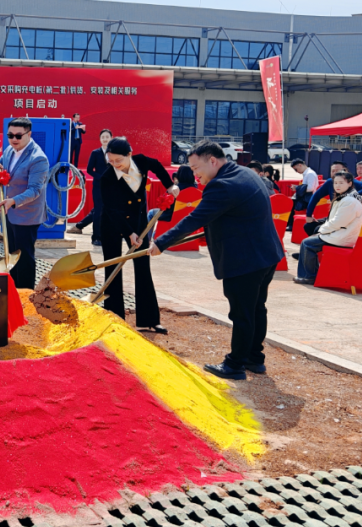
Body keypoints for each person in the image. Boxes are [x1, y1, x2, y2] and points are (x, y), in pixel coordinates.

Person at [148, 141, 284, 380]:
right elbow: (231, 214)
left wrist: (161, 242)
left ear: (212, 161)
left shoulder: (221, 185)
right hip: (266, 254)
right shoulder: (244, 173)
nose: (194, 174)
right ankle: (254, 358)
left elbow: (194, 218)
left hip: (245, 260)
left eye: (196, 168)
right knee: (256, 308)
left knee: (242, 313)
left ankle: (235, 365)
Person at [97, 138, 178, 333]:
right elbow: (111, 210)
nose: (115, 164)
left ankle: (149, 319)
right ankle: (115, 318)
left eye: (119, 160)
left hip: (138, 222)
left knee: (142, 266)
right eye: (111, 161)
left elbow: (157, 166)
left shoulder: (141, 161)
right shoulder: (107, 178)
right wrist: (129, 233)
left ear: (129, 154)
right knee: (113, 267)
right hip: (112, 223)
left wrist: (170, 185)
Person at [0, 117, 49, 290]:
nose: (14, 139)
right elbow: (0, 164)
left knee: (24, 259)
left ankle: (25, 295)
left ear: (29, 134)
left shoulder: (38, 159)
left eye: (18, 136)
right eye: (10, 135)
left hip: (27, 215)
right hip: (10, 213)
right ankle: (14, 291)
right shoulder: (10, 150)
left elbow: (35, 190)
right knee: (11, 255)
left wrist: (14, 201)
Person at [293, 171, 362, 285]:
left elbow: (338, 223)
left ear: (350, 183)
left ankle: (309, 276)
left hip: (343, 236)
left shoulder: (349, 201)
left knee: (307, 243)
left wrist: (321, 230)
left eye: (341, 183)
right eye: (335, 183)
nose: (337, 186)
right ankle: (312, 273)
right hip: (341, 233)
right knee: (311, 236)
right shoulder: (348, 196)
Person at [299, 162, 362, 240]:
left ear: (345, 171)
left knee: (318, 230)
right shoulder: (329, 182)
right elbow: (315, 197)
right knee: (309, 226)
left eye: (337, 171)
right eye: (333, 171)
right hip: (334, 216)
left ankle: (325, 243)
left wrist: (350, 195)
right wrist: (309, 215)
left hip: (347, 219)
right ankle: (321, 245)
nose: (335, 173)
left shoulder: (350, 182)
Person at [67, 128, 112, 246]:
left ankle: (108, 235)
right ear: (100, 139)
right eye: (103, 137)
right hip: (98, 186)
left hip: (112, 187)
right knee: (98, 211)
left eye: (107, 137)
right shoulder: (95, 153)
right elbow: (89, 170)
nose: (105, 139)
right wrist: (101, 177)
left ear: (111, 138)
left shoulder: (115, 153)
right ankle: (96, 237)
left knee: (108, 210)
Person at [287, 158, 319, 229]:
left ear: (300, 165)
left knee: (291, 203)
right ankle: (290, 223)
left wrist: (297, 188)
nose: (296, 171)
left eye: (296, 169)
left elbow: (311, 188)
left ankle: (291, 224)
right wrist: (298, 188)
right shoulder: (307, 174)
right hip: (306, 197)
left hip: (310, 198)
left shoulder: (310, 174)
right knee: (291, 200)